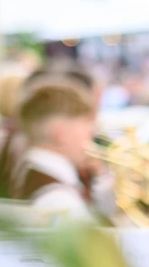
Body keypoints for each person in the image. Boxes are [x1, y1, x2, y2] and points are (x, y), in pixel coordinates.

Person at [10, 80, 99, 220]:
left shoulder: (30, 170)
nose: (90, 134)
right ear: (60, 134)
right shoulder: (59, 200)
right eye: (86, 125)